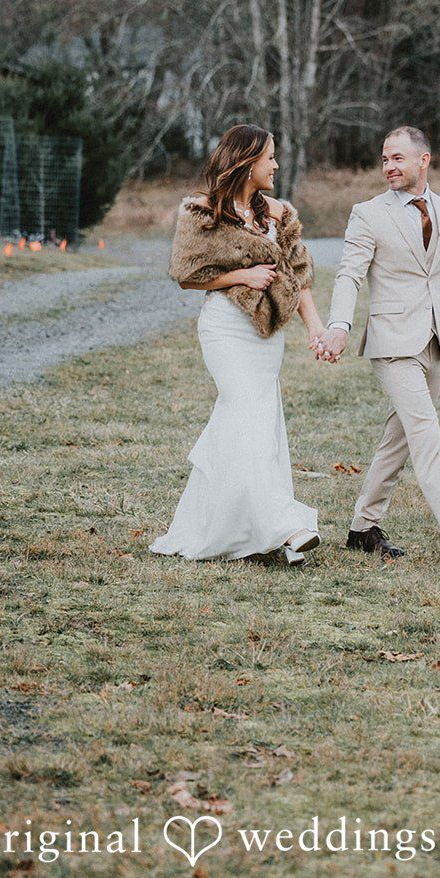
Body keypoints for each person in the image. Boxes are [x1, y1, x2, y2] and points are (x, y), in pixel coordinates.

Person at [312, 126, 440, 566]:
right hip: (391, 342)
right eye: (384, 159)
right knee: (426, 434)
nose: (389, 167)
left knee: (399, 439)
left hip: (435, 342)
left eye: (397, 158)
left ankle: (362, 527)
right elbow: (349, 274)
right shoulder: (368, 214)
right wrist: (338, 324)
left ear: (423, 160)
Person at [150, 124, 324, 565]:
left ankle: (220, 529)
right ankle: (288, 527)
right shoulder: (203, 213)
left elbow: (300, 276)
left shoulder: (278, 214)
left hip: (266, 337)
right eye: (270, 158)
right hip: (225, 330)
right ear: (246, 163)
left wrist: (315, 328)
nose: (276, 165)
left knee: (254, 426)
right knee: (246, 411)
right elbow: (187, 275)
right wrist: (241, 277)